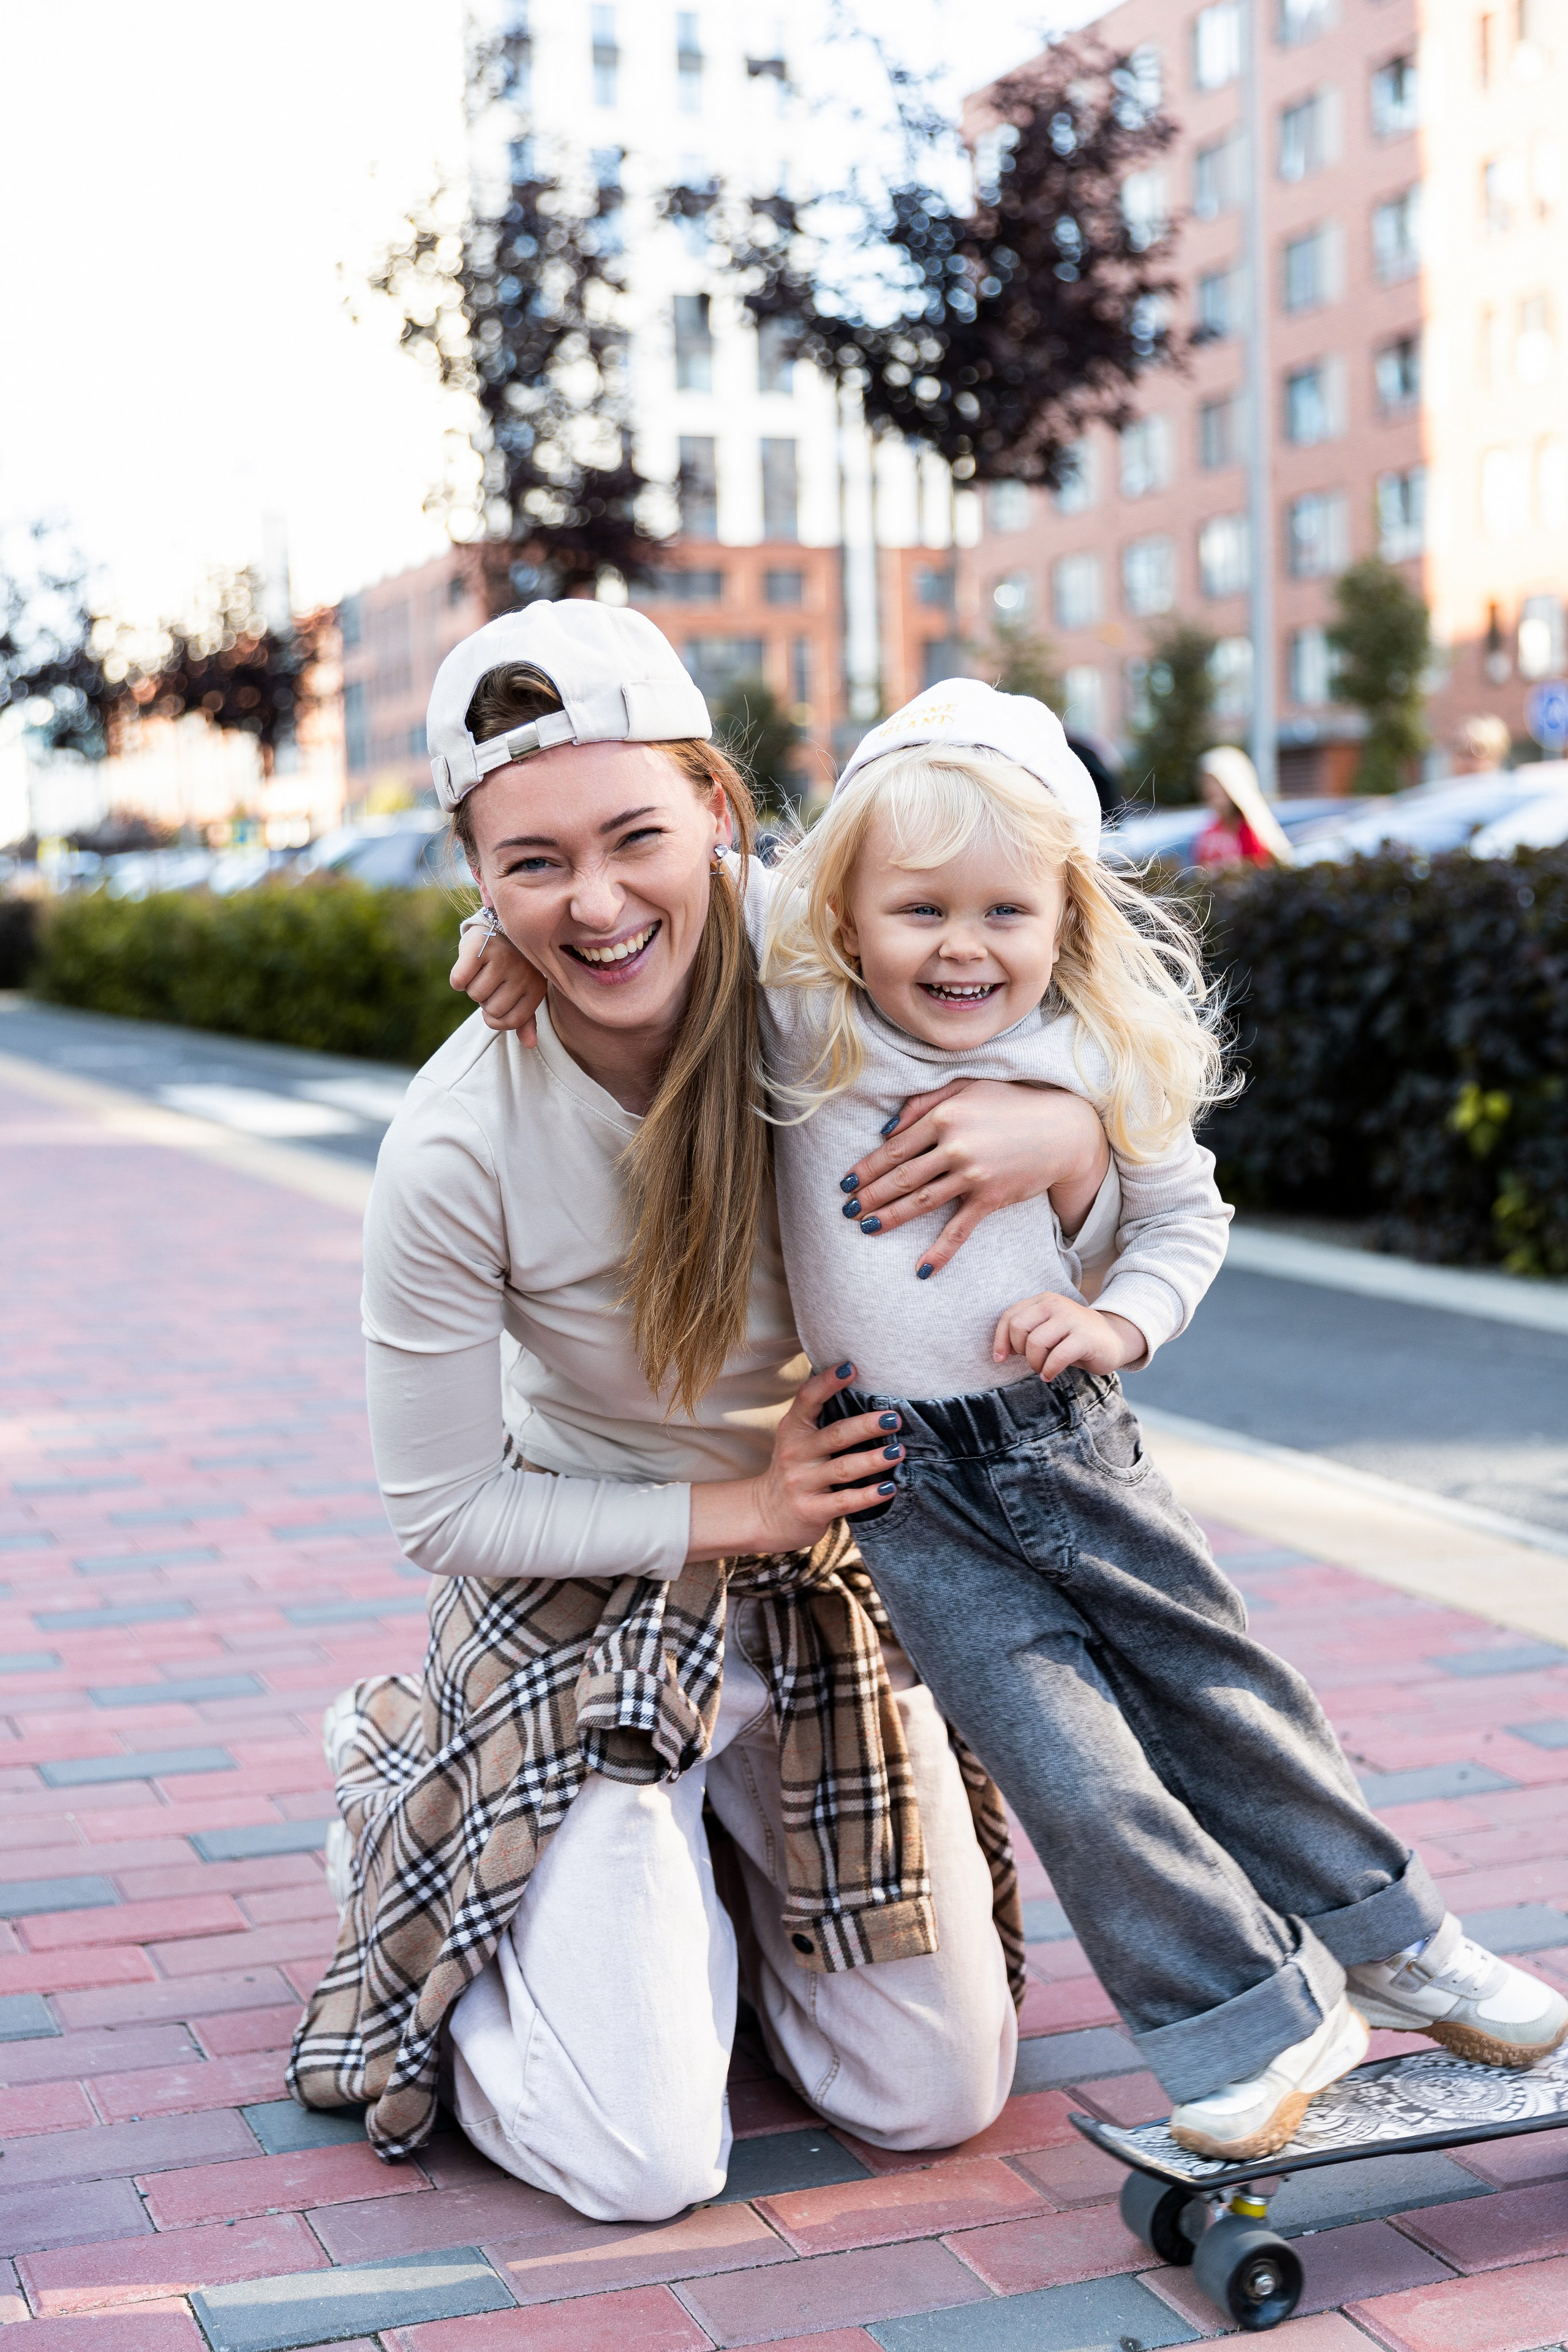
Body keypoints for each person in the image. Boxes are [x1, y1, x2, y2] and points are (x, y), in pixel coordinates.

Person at [469, 671, 1568, 2165]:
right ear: (845, 911)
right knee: (1064, 1764)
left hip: (1064, 1437)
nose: (962, 945)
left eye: (1004, 911)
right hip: (903, 1488)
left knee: (1225, 1705)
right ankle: (1247, 2016)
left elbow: (1185, 1216)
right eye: (918, 910)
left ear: (1062, 914)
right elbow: (643, 883)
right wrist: (502, 930)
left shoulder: (1092, 1051)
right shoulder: (802, 1011)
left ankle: (1405, 1940)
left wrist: (1113, 1316)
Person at [289, 602, 1120, 2222]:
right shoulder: (456, 1141)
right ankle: (400, 1790)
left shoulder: (841, 981)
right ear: (476, 876)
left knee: (934, 2094)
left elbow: (1065, 961)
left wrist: (1068, 1148)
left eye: (634, 839)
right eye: (531, 864)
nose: (595, 903)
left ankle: (700, 1894)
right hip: (593, 1600)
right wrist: (737, 1508)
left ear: (721, 819)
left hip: (820, 1601)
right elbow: (441, 1510)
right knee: (639, 2160)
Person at [1192, 744, 1294, 869]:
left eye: (1217, 781)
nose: (1210, 788)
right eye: (1207, 782)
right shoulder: (1208, 834)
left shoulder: (1256, 831)